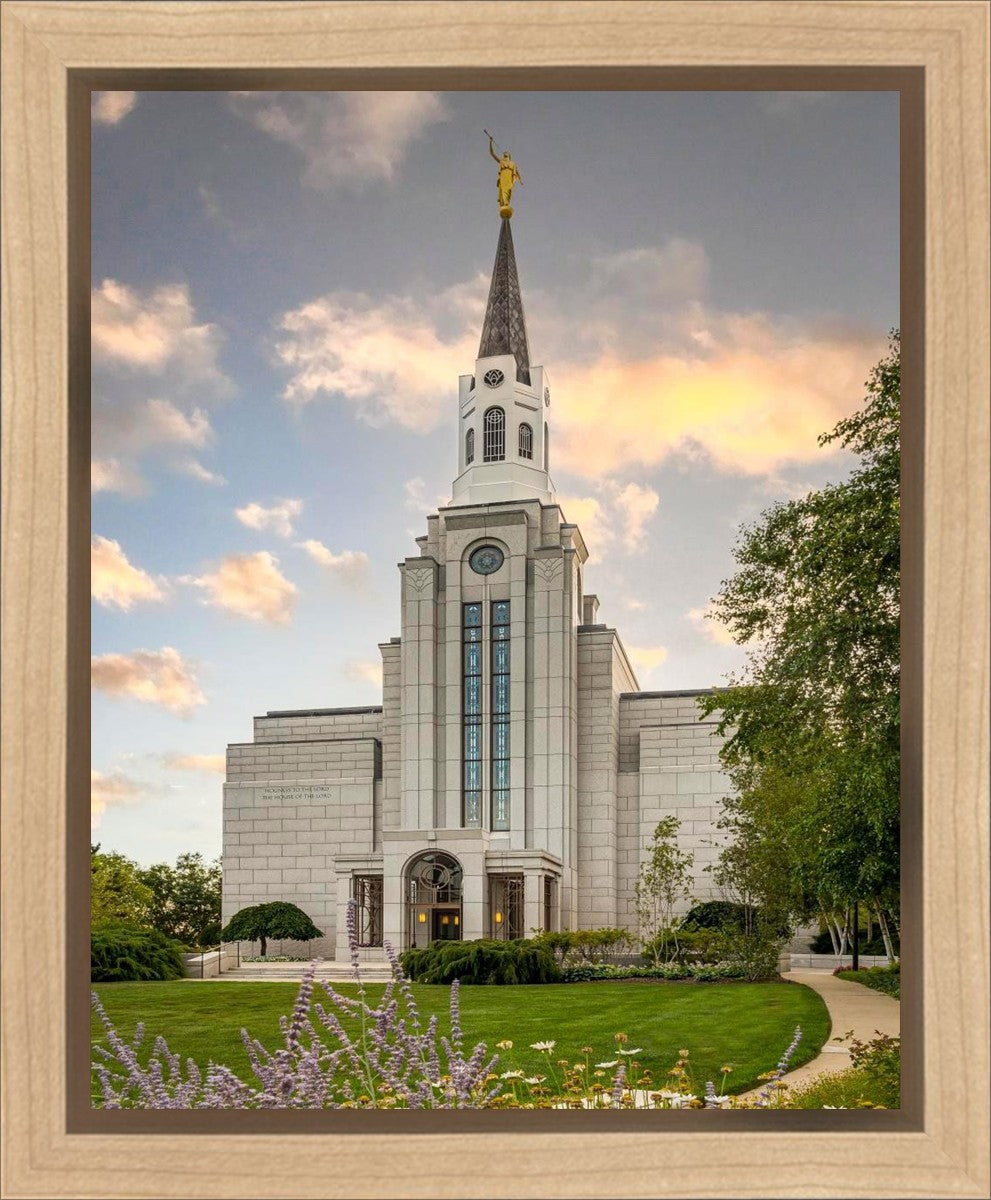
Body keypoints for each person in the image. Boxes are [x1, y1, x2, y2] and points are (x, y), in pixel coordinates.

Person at [488, 135, 521, 212]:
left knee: (509, 190)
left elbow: (516, 172)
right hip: (503, 177)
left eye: (506, 154)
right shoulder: (501, 162)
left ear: (509, 156)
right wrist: (490, 142)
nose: (505, 154)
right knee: (503, 190)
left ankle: (506, 203)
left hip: (509, 178)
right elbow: (492, 154)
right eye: (504, 154)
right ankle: (505, 203)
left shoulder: (513, 163)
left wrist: (520, 179)